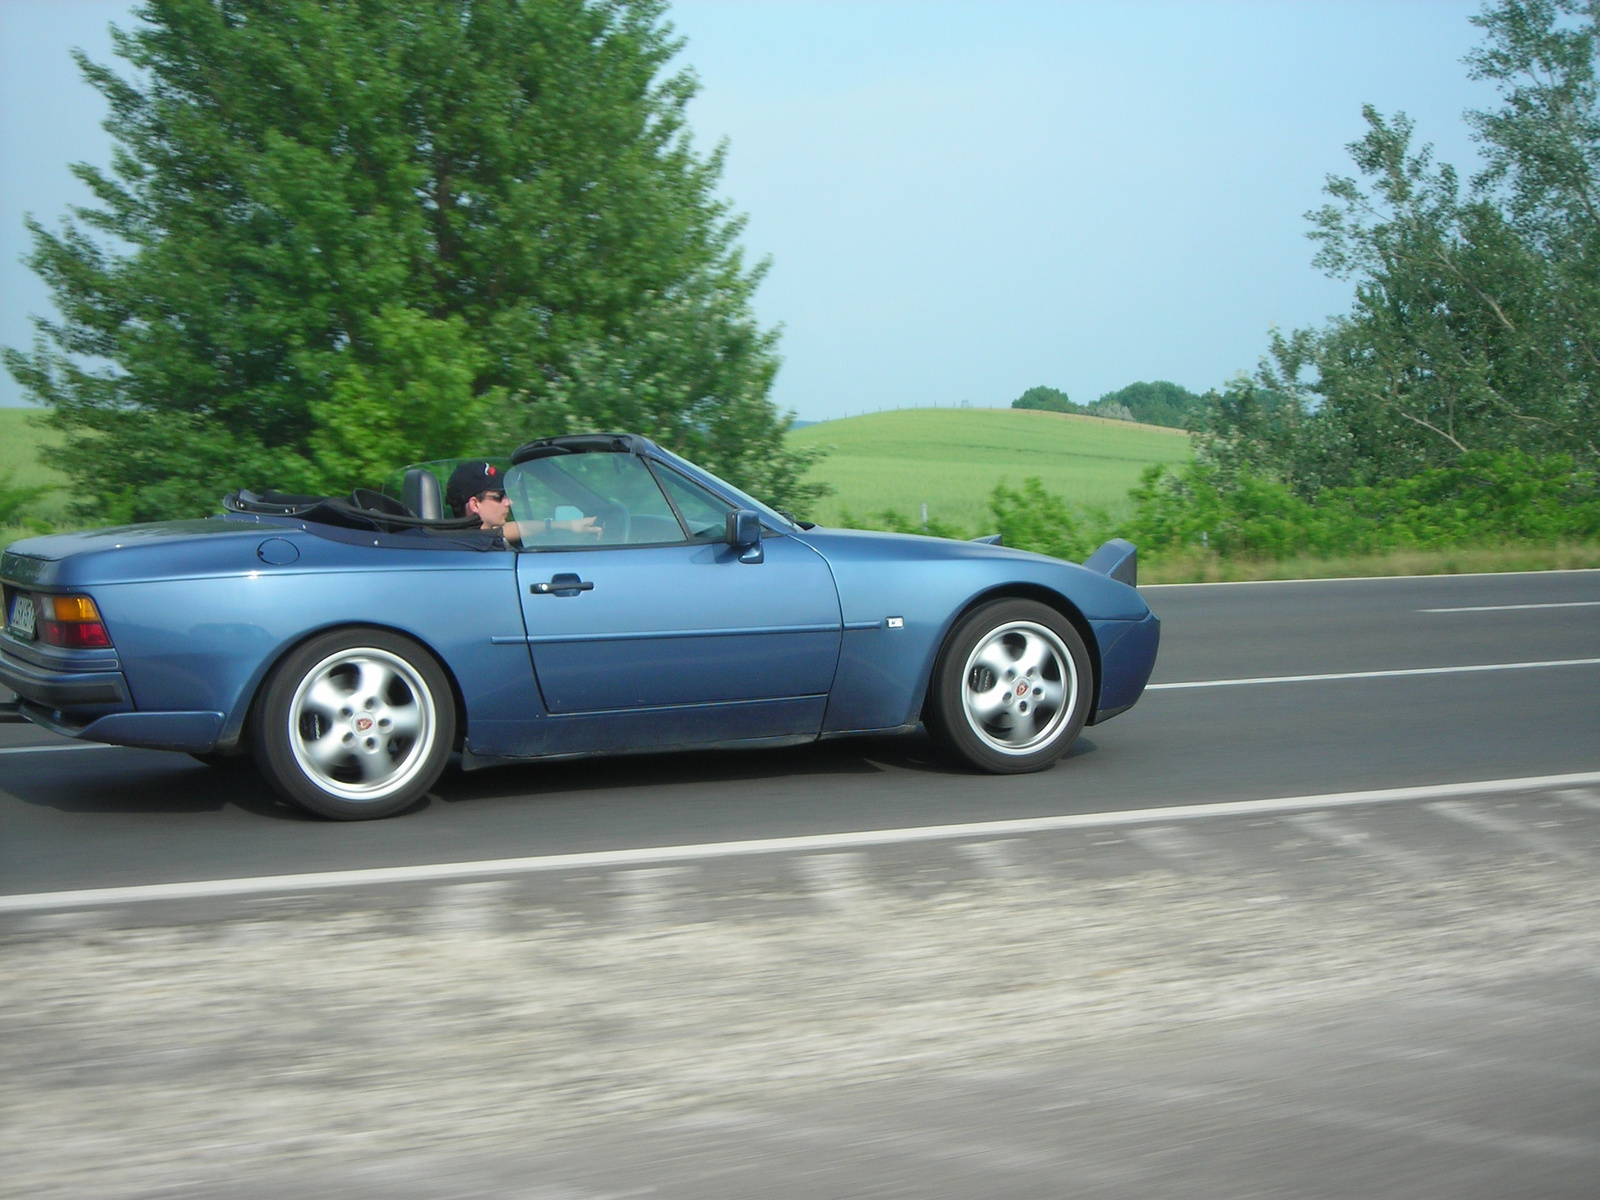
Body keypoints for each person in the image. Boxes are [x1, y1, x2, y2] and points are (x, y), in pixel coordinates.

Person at [444, 461, 599, 545]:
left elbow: (508, 530)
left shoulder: (472, 539)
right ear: (475, 504)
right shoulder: (474, 545)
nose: (509, 502)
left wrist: (567, 526)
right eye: (500, 496)